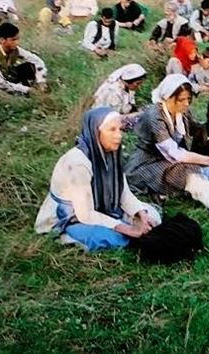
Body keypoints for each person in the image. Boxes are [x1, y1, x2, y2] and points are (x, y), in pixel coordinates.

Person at [34, 108, 161, 252]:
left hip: (102, 207)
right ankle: (67, 237)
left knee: (152, 217)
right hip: (72, 216)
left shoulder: (112, 154)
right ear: (95, 132)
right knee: (115, 239)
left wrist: (141, 214)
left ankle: (121, 223)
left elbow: (123, 193)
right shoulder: (77, 163)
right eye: (111, 130)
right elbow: (85, 214)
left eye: (120, 129)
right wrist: (127, 229)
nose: (118, 136)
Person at [125, 75, 209, 221]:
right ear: (168, 97)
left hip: (170, 160)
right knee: (188, 171)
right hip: (148, 163)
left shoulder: (182, 111)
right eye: (181, 100)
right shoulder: (154, 116)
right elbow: (172, 152)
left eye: (188, 99)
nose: (186, 104)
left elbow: (196, 129)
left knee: (193, 170)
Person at [0, 23, 48, 95]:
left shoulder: (16, 49)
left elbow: (38, 61)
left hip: (9, 76)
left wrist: (41, 82)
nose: (17, 42)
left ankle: (35, 88)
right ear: (3, 40)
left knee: (29, 66)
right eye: (13, 40)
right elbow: (0, 84)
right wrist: (27, 90)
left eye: (17, 39)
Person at [92, 64, 146, 129]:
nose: (139, 87)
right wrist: (138, 115)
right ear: (130, 81)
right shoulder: (113, 92)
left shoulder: (128, 88)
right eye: (137, 83)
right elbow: (112, 119)